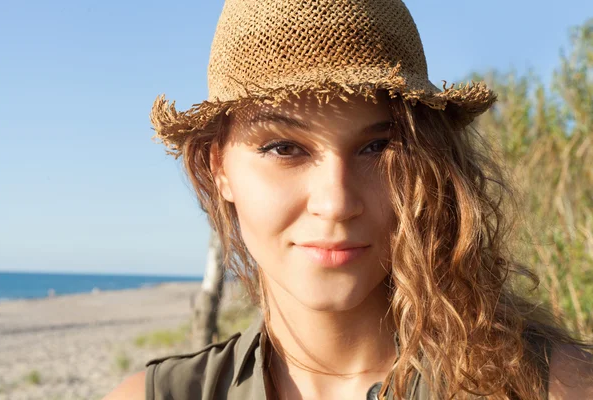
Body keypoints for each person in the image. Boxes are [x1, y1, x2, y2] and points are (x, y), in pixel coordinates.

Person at [104, 0, 593, 399]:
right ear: (219, 168)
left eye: (377, 147)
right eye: (284, 148)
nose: (336, 203)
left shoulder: (548, 386)